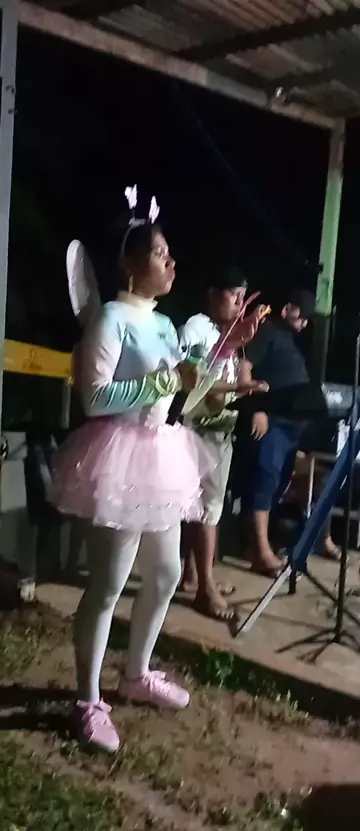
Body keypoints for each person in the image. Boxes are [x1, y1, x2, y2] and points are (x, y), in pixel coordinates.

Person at [49, 209, 217, 753]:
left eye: (169, 255)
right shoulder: (111, 319)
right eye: (160, 254)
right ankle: (87, 700)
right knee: (108, 585)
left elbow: (178, 394)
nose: (172, 263)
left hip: (162, 457)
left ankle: (136, 674)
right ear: (130, 262)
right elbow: (95, 398)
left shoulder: (165, 325)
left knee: (167, 572)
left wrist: (209, 383)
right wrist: (163, 382)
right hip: (117, 456)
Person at [179, 267, 268, 620]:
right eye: (233, 295)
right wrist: (236, 383)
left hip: (220, 429)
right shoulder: (197, 328)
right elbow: (195, 383)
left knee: (203, 507)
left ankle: (194, 575)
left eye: (243, 297)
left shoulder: (230, 334)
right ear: (213, 294)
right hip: (199, 429)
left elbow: (228, 383)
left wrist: (245, 388)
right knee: (208, 509)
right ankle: (206, 589)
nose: (239, 304)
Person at [236, 288, 316, 576]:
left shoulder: (290, 341)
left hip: (290, 429)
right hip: (272, 423)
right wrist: (256, 408)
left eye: (307, 319)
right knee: (264, 481)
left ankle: (253, 545)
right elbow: (244, 367)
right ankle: (261, 553)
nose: (304, 322)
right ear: (286, 309)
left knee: (276, 483)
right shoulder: (266, 331)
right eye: (301, 315)